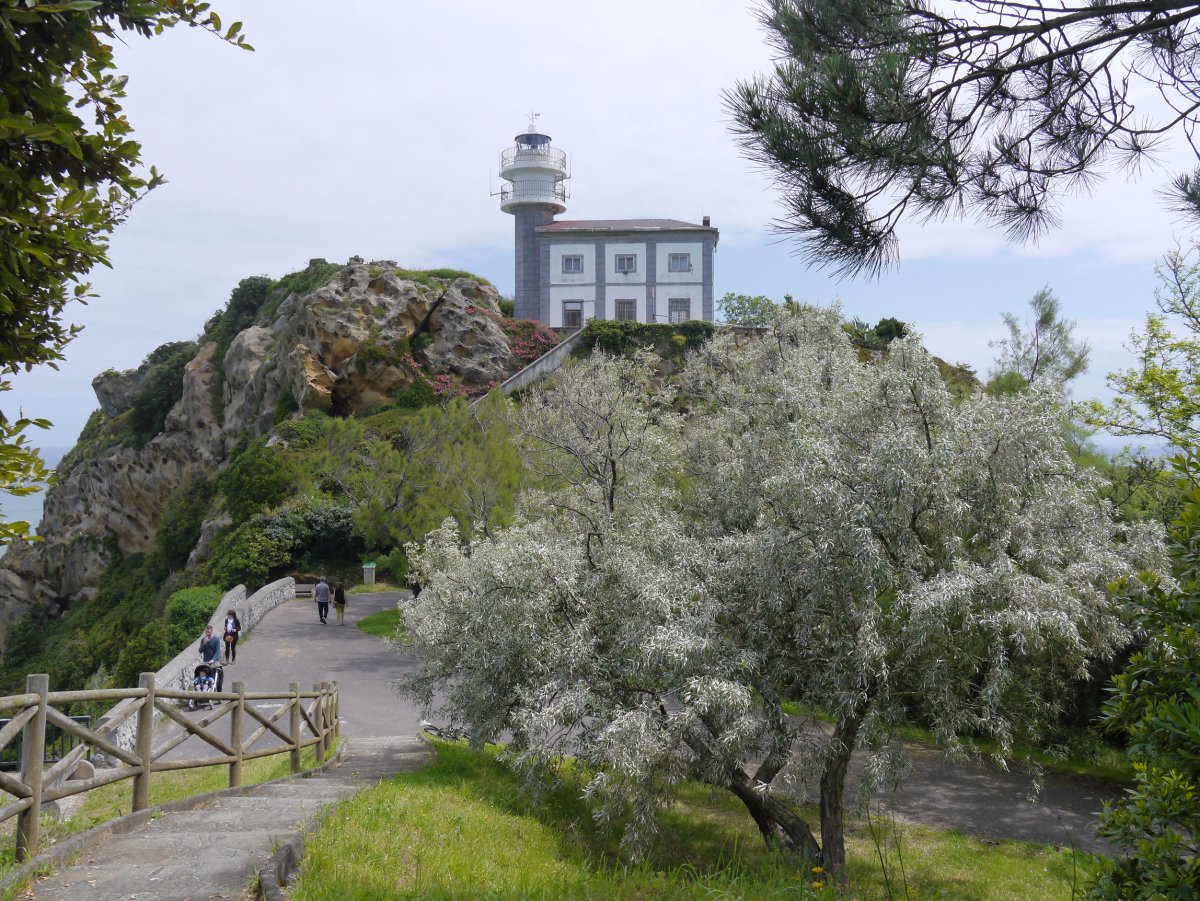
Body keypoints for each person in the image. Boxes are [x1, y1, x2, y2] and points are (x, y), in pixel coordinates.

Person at [197, 625, 224, 693]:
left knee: (220, 673)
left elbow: (217, 651)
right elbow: (200, 650)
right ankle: (202, 688)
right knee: (201, 671)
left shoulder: (216, 639)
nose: (207, 634)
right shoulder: (203, 640)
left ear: (211, 632)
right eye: (206, 632)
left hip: (215, 661)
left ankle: (219, 692)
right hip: (206, 661)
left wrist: (213, 659)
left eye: (208, 632)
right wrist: (204, 644)